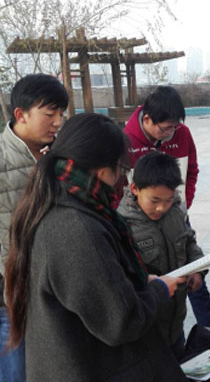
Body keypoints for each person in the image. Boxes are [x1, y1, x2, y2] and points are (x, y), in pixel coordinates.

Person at [5, 113, 187, 382]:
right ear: (103, 170)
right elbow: (121, 321)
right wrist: (158, 290)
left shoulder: (53, 200)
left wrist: (137, 282)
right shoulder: (76, 228)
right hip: (85, 367)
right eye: (120, 169)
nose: (120, 178)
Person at [123, 86, 210, 328]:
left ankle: (209, 330)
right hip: (140, 222)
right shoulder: (126, 140)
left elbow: (192, 170)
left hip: (176, 215)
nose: (169, 134)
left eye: (174, 127)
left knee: (193, 273)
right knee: (157, 279)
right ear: (147, 119)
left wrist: (181, 204)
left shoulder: (181, 134)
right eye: (165, 128)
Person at [0, 73, 68, 381]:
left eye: (61, 113)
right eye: (50, 113)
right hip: (11, 299)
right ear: (21, 114)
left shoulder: (53, 157)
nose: (58, 122)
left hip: (48, 290)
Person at [118, 151, 205, 360]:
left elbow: (189, 242)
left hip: (176, 324)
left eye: (168, 200)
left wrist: (197, 269)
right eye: (155, 200)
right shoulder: (122, 225)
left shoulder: (175, 213)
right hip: (146, 332)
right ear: (134, 189)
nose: (161, 208)